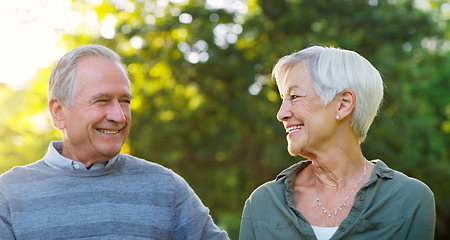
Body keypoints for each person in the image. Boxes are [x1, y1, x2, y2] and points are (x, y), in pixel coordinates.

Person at [0, 45, 229, 240]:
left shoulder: (167, 189)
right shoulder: (7, 196)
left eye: (125, 101)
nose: (119, 116)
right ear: (59, 112)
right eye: (102, 101)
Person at [239, 46, 435, 240]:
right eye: (283, 99)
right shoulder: (262, 203)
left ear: (343, 104)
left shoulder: (411, 200)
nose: (281, 114)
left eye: (294, 97)